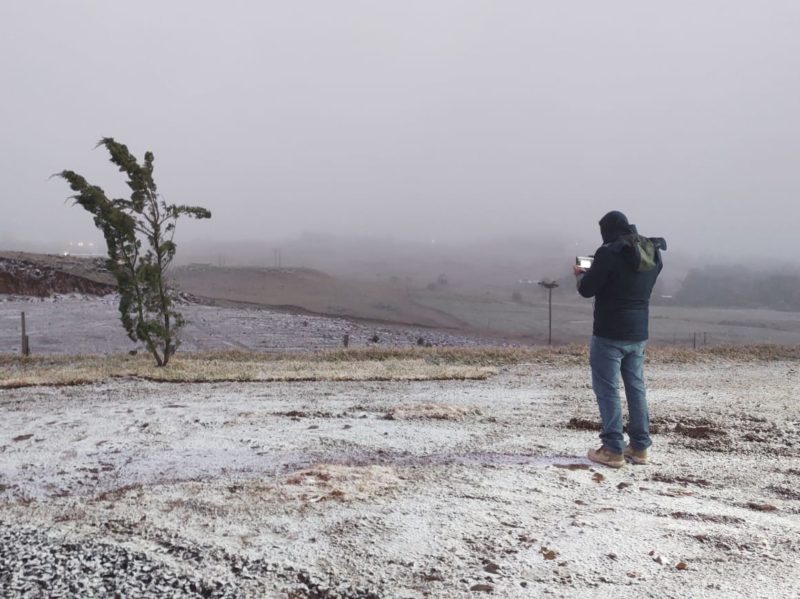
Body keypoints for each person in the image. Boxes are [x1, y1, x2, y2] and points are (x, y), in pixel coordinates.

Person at [573, 210, 665, 468]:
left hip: (609, 333)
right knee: (636, 389)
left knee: (608, 389)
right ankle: (639, 447)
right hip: (638, 334)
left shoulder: (609, 253)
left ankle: (613, 449)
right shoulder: (650, 252)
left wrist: (580, 273)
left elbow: (587, 289)